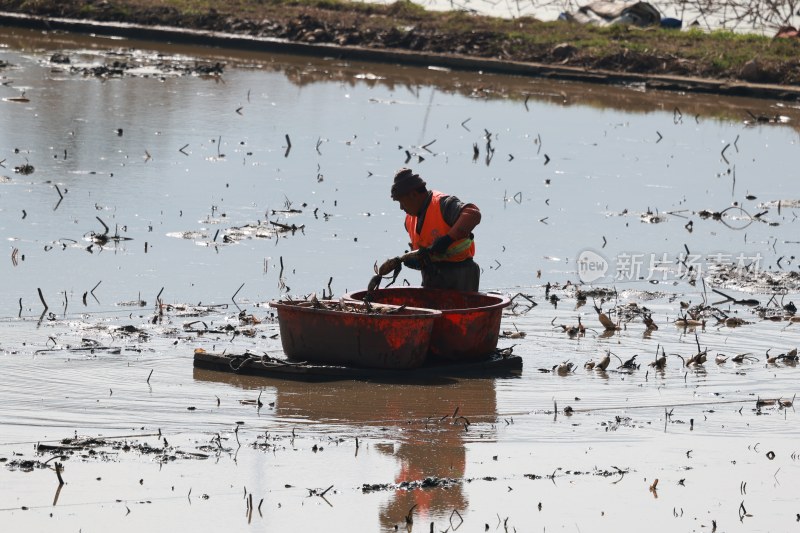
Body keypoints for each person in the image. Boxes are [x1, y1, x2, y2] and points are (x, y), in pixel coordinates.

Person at [390, 168, 481, 291]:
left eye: (402, 202)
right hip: (432, 277)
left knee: (460, 310)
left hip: (460, 274)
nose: (401, 208)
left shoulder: (442, 204)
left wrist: (448, 239)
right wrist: (416, 261)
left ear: (413, 195)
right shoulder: (409, 221)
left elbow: (473, 214)